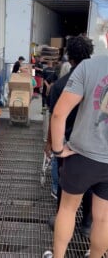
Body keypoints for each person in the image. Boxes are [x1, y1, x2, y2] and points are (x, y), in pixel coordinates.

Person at [44, 49, 108, 257]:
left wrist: (57, 149)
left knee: (68, 210)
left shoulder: (89, 67)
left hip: (82, 155)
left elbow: (59, 114)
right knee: (103, 218)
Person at [45, 36, 93, 237]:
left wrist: (51, 144)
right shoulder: (98, 80)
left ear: (69, 57)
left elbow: (54, 115)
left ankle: (61, 220)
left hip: (67, 143)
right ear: (90, 54)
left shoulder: (60, 85)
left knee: (66, 184)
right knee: (91, 185)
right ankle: (86, 225)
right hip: (93, 143)